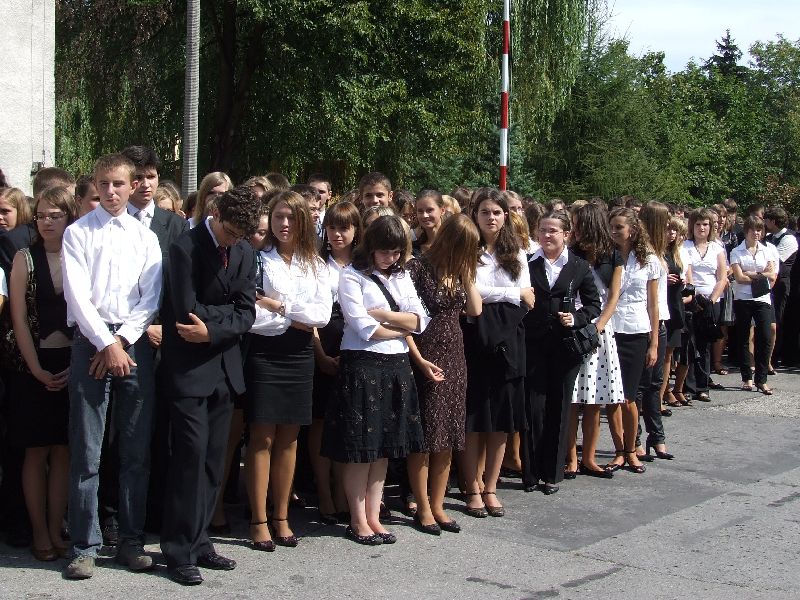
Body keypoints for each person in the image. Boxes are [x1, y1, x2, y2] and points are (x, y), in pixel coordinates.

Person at [61, 154, 163, 579]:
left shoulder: (145, 237)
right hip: (91, 342)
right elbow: (77, 295)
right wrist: (106, 342)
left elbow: (150, 296)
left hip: (132, 343)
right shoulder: (78, 233)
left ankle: (130, 541)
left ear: (132, 184)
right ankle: (84, 545)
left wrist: (121, 342)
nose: (111, 191)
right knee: (87, 449)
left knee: (135, 450)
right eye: (103, 183)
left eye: (118, 183)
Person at [159, 186, 260, 585]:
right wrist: (224, 317)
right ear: (215, 214)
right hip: (189, 371)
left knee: (214, 461)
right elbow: (186, 311)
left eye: (241, 236)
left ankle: (200, 541)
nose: (233, 241)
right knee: (189, 458)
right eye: (230, 232)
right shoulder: (185, 247)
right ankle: (178, 550)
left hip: (224, 368)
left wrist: (213, 329)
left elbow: (247, 312)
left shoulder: (244, 251)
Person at [321, 215, 429, 545]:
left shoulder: (401, 275)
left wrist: (384, 316)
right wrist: (400, 325)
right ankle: (357, 520)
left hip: (396, 364)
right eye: (384, 251)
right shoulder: (352, 276)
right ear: (371, 246)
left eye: (396, 252)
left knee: (383, 448)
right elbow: (363, 327)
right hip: (363, 365)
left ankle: (373, 515)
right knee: (362, 448)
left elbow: (421, 320)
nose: (390, 258)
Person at [244, 190, 332, 551]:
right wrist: (291, 314)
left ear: (304, 221)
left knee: (290, 438)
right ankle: (258, 519)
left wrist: (279, 306)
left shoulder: (316, 265)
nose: (284, 224)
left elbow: (321, 316)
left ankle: (281, 516)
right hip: (265, 353)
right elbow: (253, 317)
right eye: (278, 216)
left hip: (299, 355)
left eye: (291, 217)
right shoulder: (259, 259)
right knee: (262, 437)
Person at [120, 145, 189, 534]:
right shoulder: (110, 223)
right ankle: (116, 514)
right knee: (124, 432)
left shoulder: (173, 225)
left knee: (161, 429)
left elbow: (181, 286)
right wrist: (140, 326)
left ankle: (155, 513)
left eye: (151, 176)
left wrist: (166, 325)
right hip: (124, 339)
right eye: (139, 177)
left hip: (167, 340)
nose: (145, 184)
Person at [7, 186, 78, 561]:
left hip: (72, 363)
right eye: (41, 216)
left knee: (63, 450)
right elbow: (18, 318)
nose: (47, 222)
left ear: (69, 216)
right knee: (35, 452)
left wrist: (74, 365)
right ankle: (39, 533)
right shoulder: (24, 258)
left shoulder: (80, 253)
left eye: (55, 215)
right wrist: (35, 368)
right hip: (31, 365)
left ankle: (56, 527)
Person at [406, 214, 482, 534]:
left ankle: (438, 505)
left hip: (454, 355)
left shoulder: (459, 271)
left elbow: (475, 310)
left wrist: (466, 273)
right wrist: (418, 358)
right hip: (425, 354)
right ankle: (422, 505)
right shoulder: (417, 268)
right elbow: (404, 319)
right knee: (425, 434)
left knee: (448, 433)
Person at [463, 188, 533, 517]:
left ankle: (490, 487)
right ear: (474, 215)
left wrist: (507, 294)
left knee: (501, 420)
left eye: (496, 212)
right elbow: (469, 293)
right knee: (475, 418)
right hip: (475, 337)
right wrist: (509, 293)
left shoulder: (516, 251)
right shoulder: (467, 249)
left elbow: (528, 296)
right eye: (484, 212)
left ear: (506, 216)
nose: (491, 218)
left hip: (509, 339)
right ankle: (472, 487)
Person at [522, 210, 601, 494]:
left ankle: (552, 473)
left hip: (565, 346)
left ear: (566, 234)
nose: (546, 235)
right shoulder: (527, 262)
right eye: (542, 230)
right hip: (533, 344)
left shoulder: (579, 266)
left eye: (553, 230)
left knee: (560, 406)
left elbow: (594, 304)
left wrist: (576, 318)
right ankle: (531, 473)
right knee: (533, 408)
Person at [310, 201, 363, 523]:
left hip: (356, 345)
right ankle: (324, 493)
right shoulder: (317, 263)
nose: (337, 234)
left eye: (344, 227)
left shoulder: (364, 264)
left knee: (348, 422)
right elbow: (311, 316)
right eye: (331, 227)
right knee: (320, 422)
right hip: (324, 343)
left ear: (356, 230)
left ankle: (345, 493)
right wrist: (320, 355)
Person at [565, 202, 624, 478]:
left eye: (578, 224)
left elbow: (613, 296)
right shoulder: (570, 253)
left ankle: (588, 457)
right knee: (572, 399)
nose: (574, 229)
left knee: (594, 399)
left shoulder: (613, 255)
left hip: (599, 330)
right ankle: (571, 458)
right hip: (573, 325)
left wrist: (598, 327)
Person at [605, 207, 659, 474]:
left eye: (619, 227)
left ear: (633, 230)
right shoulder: (606, 256)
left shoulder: (649, 260)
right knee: (612, 397)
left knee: (629, 396)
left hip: (636, 329)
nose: (614, 232)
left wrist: (654, 343)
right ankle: (618, 451)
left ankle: (631, 448)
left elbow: (653, 304)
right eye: (611, 227)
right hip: (610, 329)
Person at [636, 201, 674, 460]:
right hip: (647, 323)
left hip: (659, 322)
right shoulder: (644, 254)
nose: (670, 227)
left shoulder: (659, 253)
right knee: (641, 385)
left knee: (654, 383)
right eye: (666, 222)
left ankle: (657, 436)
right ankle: (635, 438)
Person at [682, 208, 727, 402]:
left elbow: (722, 277)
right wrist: (696, 297)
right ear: (692, 226)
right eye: (698, 224)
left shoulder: (717, 248)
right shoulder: (685, 246)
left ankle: (702, 386)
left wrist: (712, 300)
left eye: (706, 224)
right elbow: (688, 275)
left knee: (705, 344)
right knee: (690, 344)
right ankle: (688, 386)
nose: (702, 228)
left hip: (711, 300)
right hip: (692, 300)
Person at [730, 215, 776, 394]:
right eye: (753, 230)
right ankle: (746, 377)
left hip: (762, 298)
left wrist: (751, 274)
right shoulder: (737, 251)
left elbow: (772, 274)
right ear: (746, 231)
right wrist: (760, 275)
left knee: (765, 336)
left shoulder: (767, 250)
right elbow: (739, 278)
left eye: (759, 230)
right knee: (743, 337)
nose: (756, 233)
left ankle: (761, 379)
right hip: (743, 298)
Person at [764, 206, 797, 366]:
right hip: (768, 282)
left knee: (777, 319)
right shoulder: (769, 237)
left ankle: (774, 356)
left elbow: (775, 260)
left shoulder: (789, 239)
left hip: (781, 284)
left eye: (766, 220)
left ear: (773, 221)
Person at [413, 189, 445, 256]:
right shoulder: (413, 248)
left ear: (442, 210)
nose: (425, 215)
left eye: (430, 210)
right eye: (420, 211)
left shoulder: (453, 244)